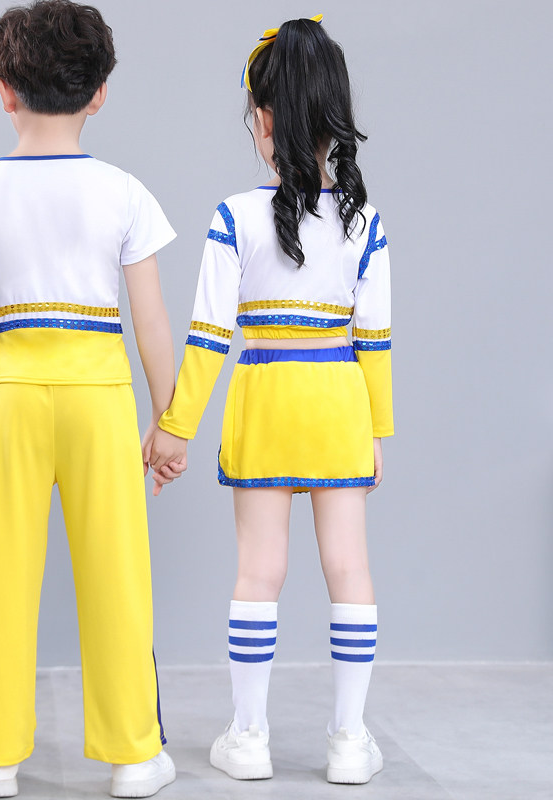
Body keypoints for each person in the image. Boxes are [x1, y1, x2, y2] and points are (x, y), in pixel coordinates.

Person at [0, 2, 178, 797]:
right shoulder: (125, 192)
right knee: (117, 575)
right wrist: (168, 421)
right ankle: (133, 757)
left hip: (11, 400)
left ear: (4, 90)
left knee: (1, 575)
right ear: (99, 93)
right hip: (101, 400)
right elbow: (151, 321)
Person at [148, 14, 392, 786]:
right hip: (340, 409)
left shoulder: (233, 217)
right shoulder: (365, 223)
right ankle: (349, 740)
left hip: (262, 407)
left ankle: (248, 737)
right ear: (335, 118)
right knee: (349, 570)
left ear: (262, 119)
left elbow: (208, 337)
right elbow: (376, 340)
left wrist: (175, 428)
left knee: (259, 572)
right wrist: (377, 432)